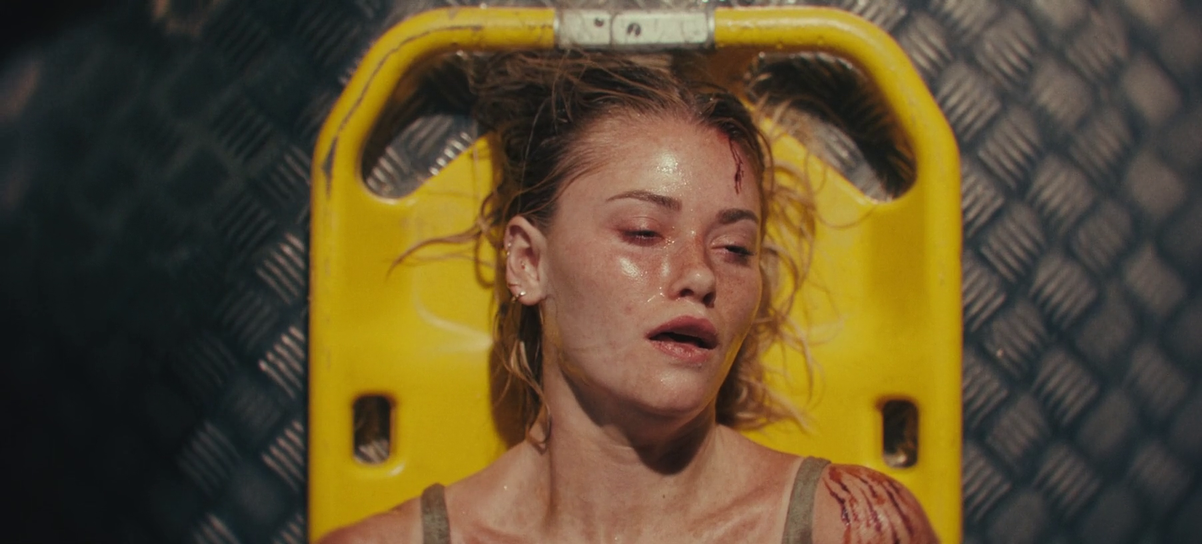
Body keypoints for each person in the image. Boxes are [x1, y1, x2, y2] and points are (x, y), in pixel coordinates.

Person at [322, 50, 936, 544]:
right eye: (643, 233)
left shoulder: (853, 527)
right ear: (528, 262)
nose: (700, 275)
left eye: (734, 248)